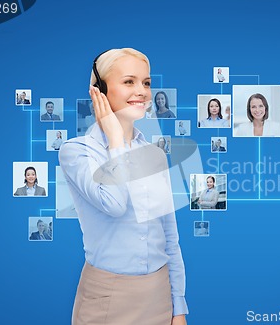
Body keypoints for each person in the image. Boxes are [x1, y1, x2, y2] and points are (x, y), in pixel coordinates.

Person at [59, 48, 187, 325]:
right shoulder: (77, 152)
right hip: (107, 299)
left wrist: (179, 307)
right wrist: (116, 140)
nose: (141, 91)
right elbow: (114, 205)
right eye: (129, 82)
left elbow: (170, 237)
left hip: (160, 295)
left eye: (146, 83)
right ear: (99, 91)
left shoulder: (154, 154)